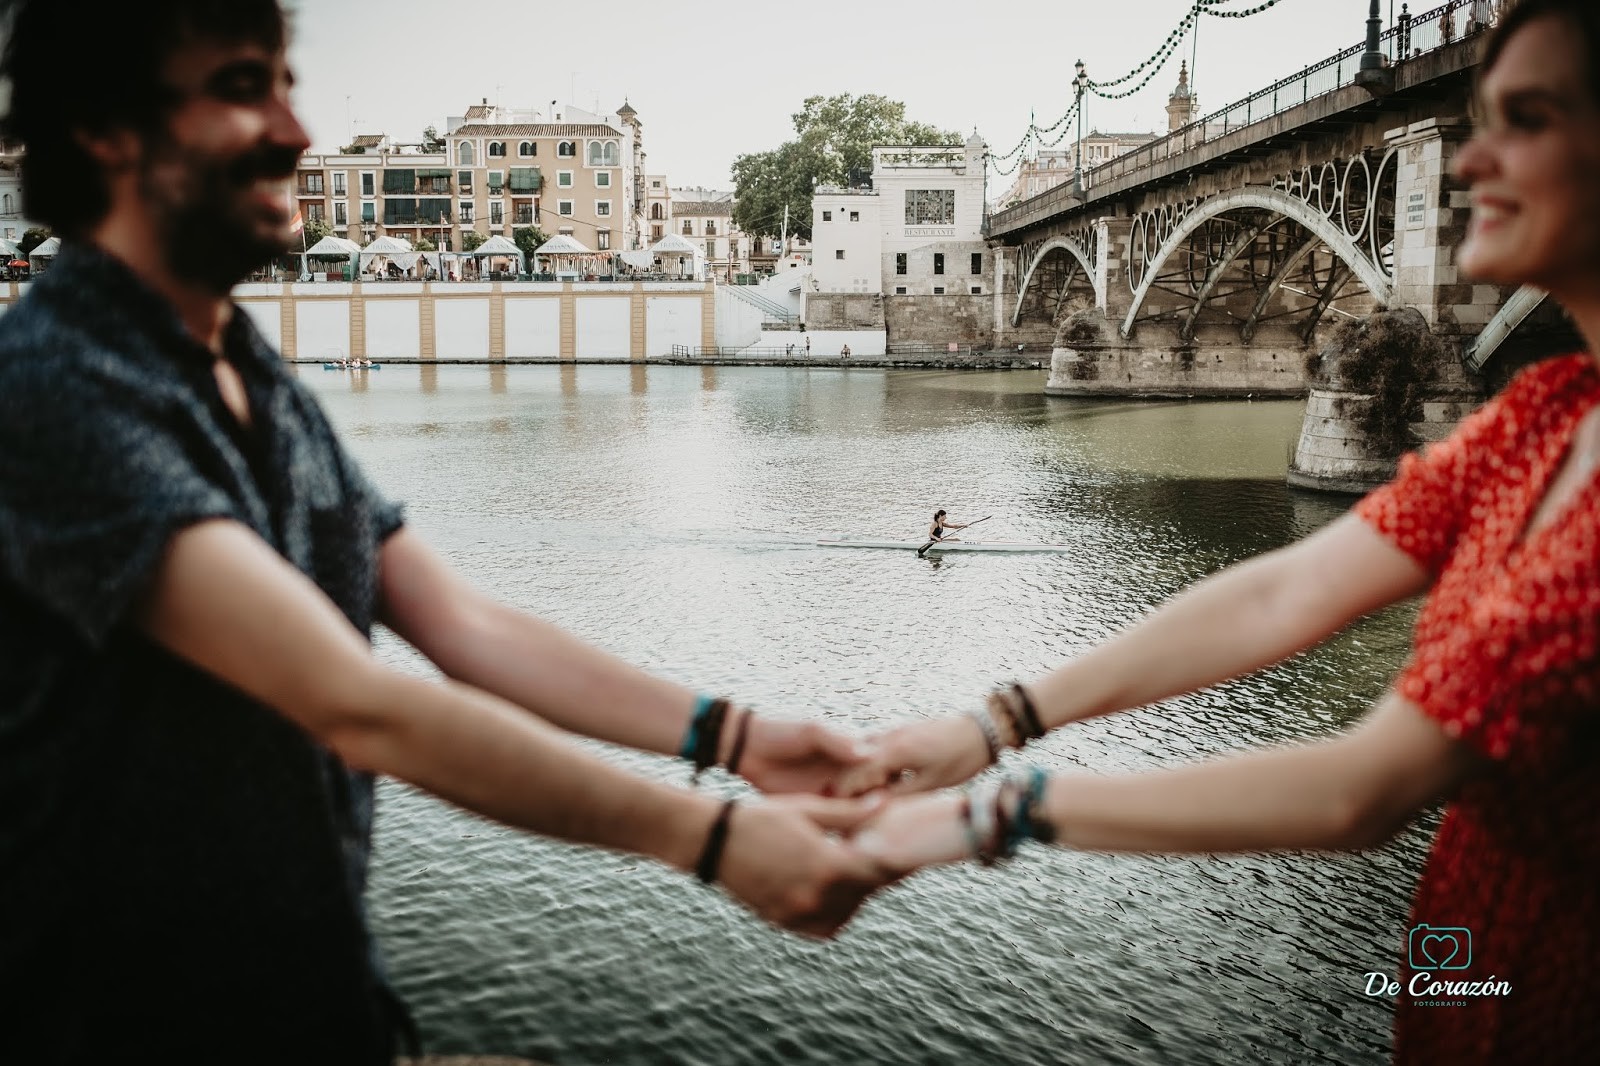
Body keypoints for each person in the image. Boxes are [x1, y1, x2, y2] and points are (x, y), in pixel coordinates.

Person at [0, 3, 890, 1062]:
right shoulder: (57, 390)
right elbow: (357, 702)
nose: (295, 131)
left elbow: (460, 621)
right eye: (245, 88)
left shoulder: (236, 355)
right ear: (106, 128)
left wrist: (736, 737)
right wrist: (711, 838)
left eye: (288, 85)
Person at [850, 3, 1600, 1062]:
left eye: (1524, 118)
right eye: (1475, 117)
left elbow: (1357, 791)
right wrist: (995, 723)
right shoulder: (1548, 412)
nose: (1471, 157)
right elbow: (1285, 590)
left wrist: (990, 816)